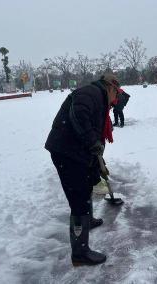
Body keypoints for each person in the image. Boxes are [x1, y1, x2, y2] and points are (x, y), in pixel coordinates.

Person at [45, 74, 119, 266]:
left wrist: (97, 161)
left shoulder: (98, 97)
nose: (115, 101)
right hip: (67, 152)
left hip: (76, 151)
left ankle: (89, 219)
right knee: (78, 198)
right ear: (110, 87)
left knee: (87, 184)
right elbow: (79, 115)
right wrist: (92, 142)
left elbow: (93, 131)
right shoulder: (91, 93)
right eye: (116, 94)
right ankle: (80, 253)